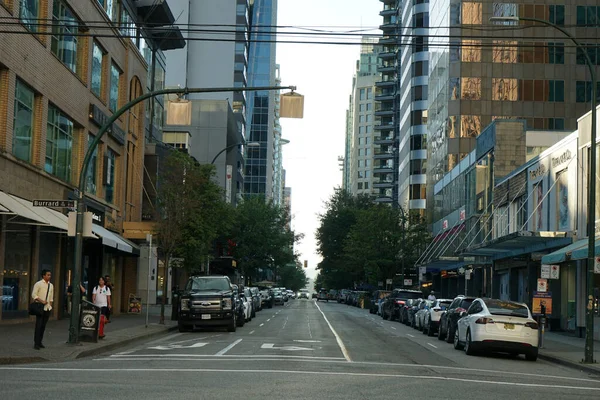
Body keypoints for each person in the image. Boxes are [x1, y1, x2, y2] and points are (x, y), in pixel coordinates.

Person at [31, 269, 54, 350]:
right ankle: (36, 343)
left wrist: (50, 305)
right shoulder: (38, 284)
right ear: (43, 275)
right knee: (38, 326)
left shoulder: (51, 285)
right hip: (40, 308)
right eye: (48, 275)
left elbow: (51, 297)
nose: (49, 276)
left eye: (50, 275)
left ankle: (40, 342)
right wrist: (41, 301)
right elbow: (34, 295)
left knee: (43, 326)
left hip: (47, 308)